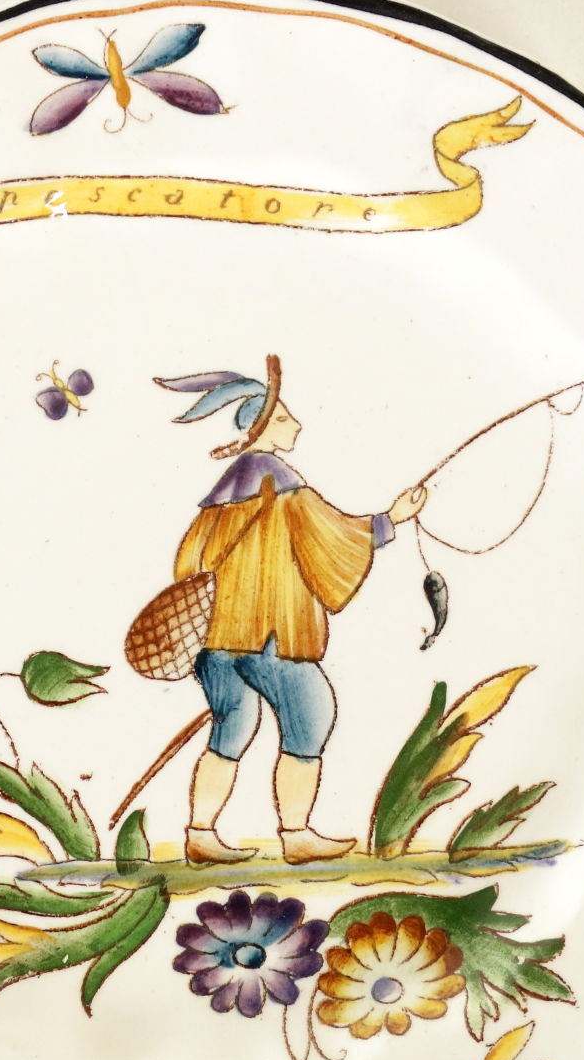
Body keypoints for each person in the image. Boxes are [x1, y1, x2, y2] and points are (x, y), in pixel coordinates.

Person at [157, 357, 426, 865]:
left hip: (216, 639)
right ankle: (296, 835)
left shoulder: (217, 501)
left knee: (231, 729)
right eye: (283, 417)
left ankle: (200, 833)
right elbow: (334, 537)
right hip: (271, 634)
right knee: (311, 715)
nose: (296, 424)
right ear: (258, 429)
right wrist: (393, 518)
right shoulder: (282, 486)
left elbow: (188, 565)